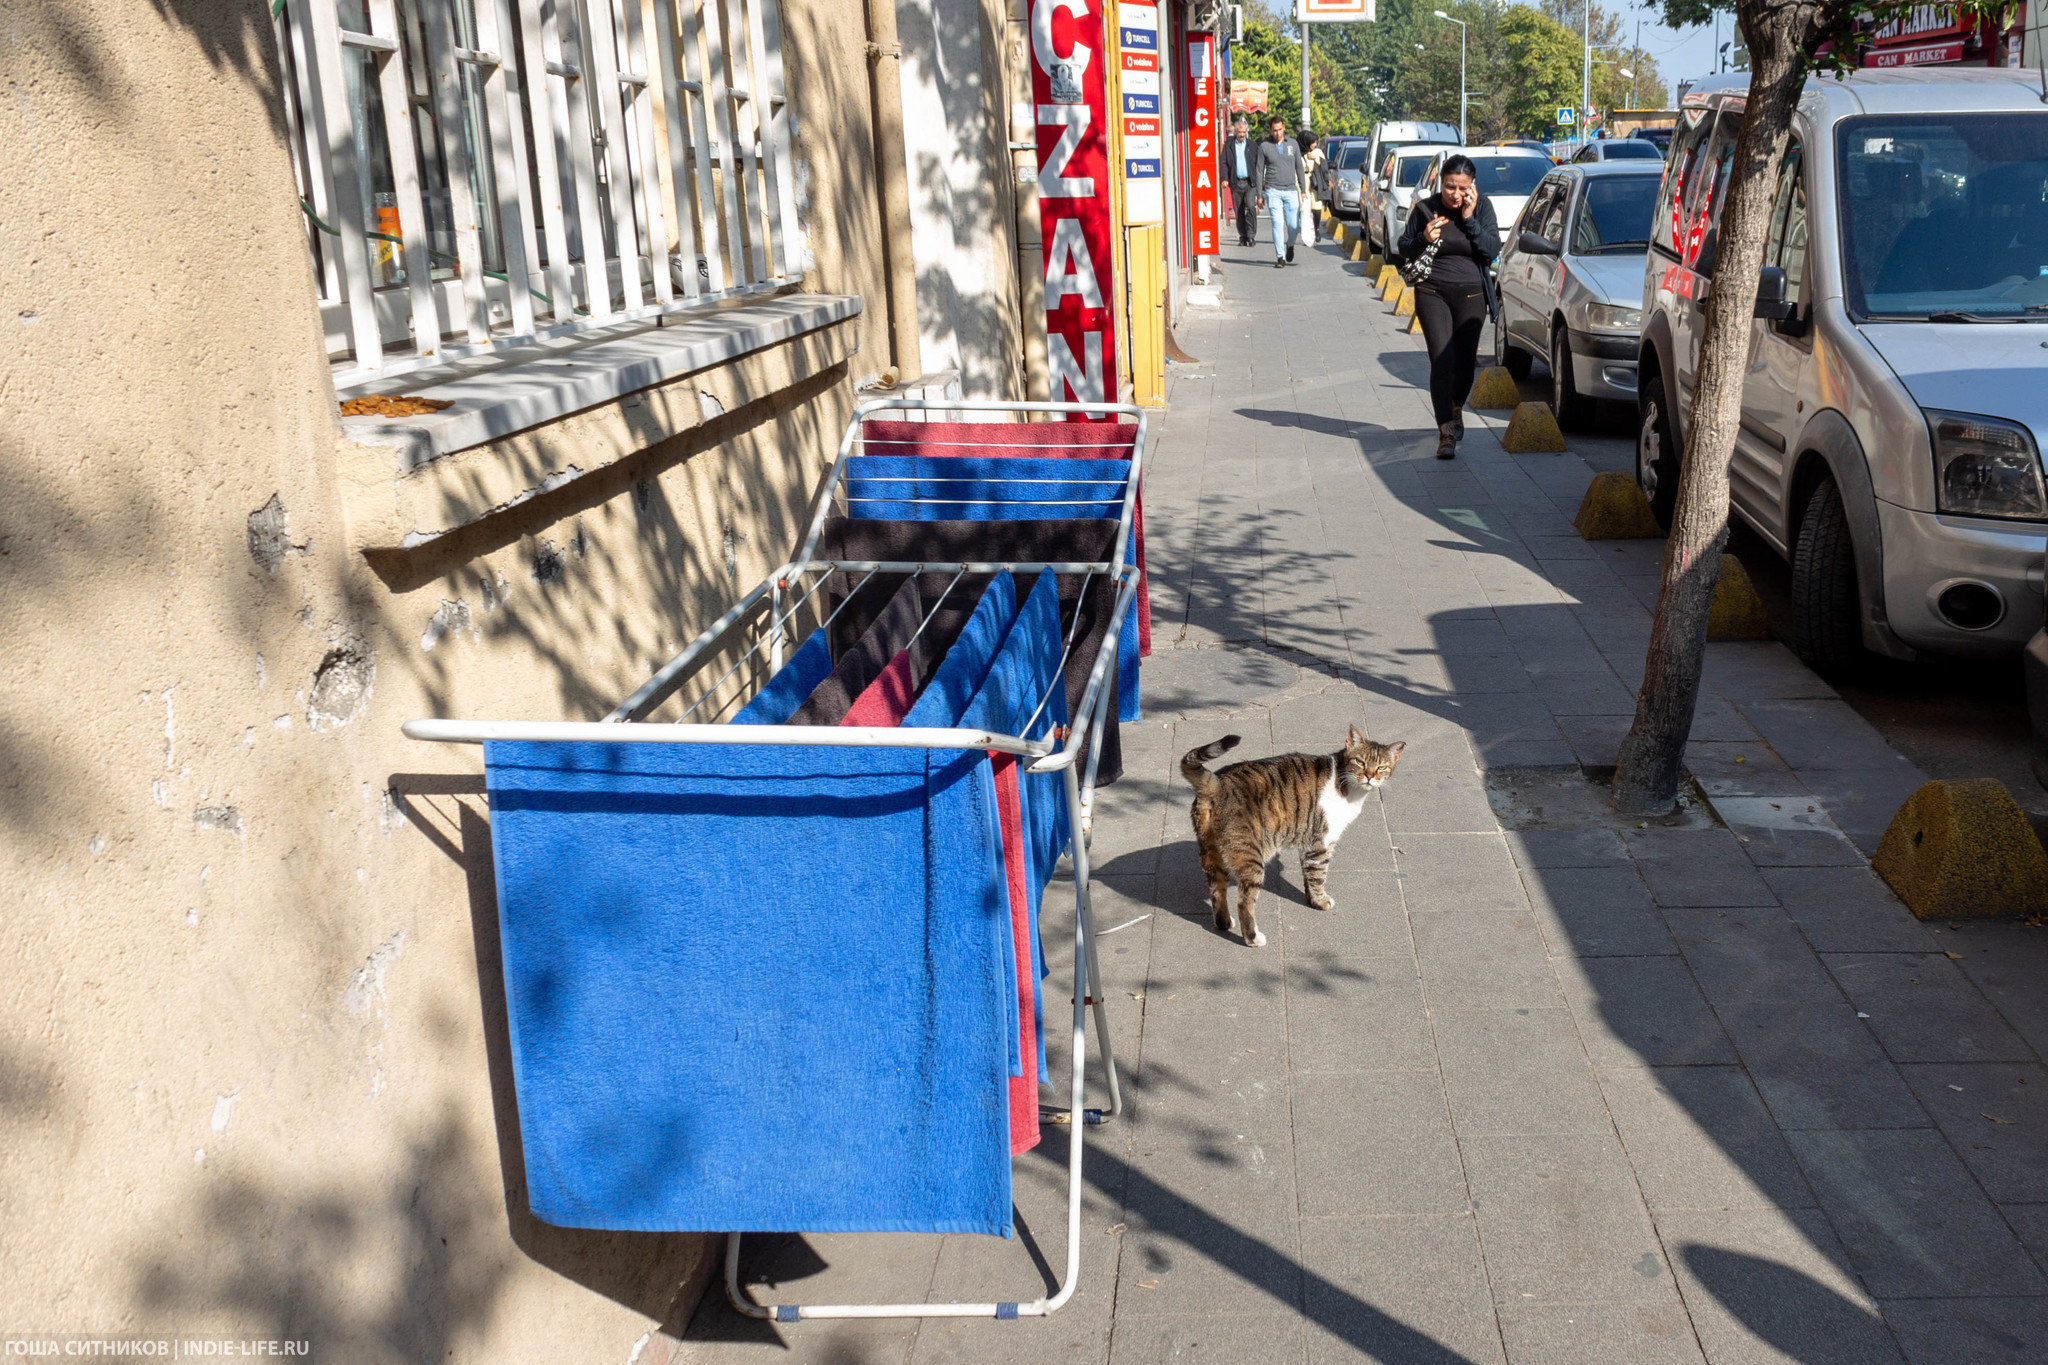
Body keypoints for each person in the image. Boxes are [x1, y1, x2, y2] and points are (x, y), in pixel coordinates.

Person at [1397, 154, 1501, 458]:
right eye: (1449, 187)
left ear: (1472, 187)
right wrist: (1422, 238)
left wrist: (1469, 219)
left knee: (1465, 364)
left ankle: (1456, 407)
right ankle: (1445, 432)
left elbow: (1491, 250)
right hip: (1432, 291)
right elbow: (1403, 246)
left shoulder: (1482, 208)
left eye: (1462, 188)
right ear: (1440, 183)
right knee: (1441, 360)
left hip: (1471, 295)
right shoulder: (1425, 208)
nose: (1455, 194)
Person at [1254, 114, 1307, 268]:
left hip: (1291, 190)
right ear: (1270, 130)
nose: (1277, 133)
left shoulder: (1293, 145)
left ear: (1284, 127)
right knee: (1277, 223)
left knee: (1293, 226)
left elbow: (1299, 168)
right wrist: (1259, 195)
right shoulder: (1264, 147)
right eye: (1274, 130)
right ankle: (1280, 257)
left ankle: (1290, 245)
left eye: (1280, 129)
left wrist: (1303, 190)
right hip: (1273, 190)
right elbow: (1259, 171)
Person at [1222, 115, 1258, 247]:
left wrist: (1259, 181)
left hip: (1249, 182)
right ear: (1235, 132)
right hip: (1236, 182)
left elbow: (1258, 164)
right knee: (1239, 211)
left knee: (1250, 207)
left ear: (1246, 132)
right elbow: (1223, 162)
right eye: (1240, 132)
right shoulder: (1229, 146)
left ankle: (1251, 235)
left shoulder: (1253, 146)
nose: (1242, 135)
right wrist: (1224, 178)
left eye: (1244, 133)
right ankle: (1243, 236)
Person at [1301, 133, 1326, 243]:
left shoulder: (1318, 152)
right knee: (1305, 209)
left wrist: (1316, 158)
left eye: (1316, 142)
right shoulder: (1299, 153)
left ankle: (1317, 229)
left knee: (1316, 208)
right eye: (1313, 142)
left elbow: (1325, 166)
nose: (1315, 144)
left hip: (1315, 182)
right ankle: (1307, 232)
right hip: (1303, 181)